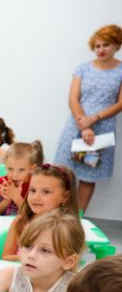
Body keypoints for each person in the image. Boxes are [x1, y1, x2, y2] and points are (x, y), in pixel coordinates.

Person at [54, 24, 122, 212]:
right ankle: (55, 217)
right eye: (97, 46)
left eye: (106, 45)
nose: (100, 50)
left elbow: (120, 104)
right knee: (62, 174)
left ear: (117, 45)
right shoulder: (83, 69)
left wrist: (94, 119)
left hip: (101, 130)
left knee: (88, 176)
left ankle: (75, 222)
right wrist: (84, 125)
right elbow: (73, 99)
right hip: (76, 126)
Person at [1, 164, 80, 261]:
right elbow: (5, 257)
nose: (36, 197)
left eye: (46, 192)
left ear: (65, 197)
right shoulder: (20, 222)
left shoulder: (66, 229)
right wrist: (28, 259)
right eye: (32, 190)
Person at [0, 141, 42, 216]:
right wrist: (7, 200)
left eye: (21, 170)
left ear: (32, 169)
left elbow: (33, 216)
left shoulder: (36, 186)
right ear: (5, 165)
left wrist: (16, 197)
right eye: (10, 169)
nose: (15, 175)